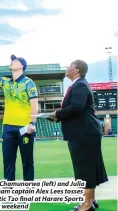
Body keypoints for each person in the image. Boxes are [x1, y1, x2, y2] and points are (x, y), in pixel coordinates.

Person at [48, 60, 108, 211]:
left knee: (85, 168)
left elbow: (76, 107)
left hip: (83, 133)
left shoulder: (80, 84)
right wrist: (59, 116)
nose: (67, 68)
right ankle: (91, 200)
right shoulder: (79, 84)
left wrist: (57, 114)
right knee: (89, 167)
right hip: (85, 132)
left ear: (76, 71)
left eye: (69, 66)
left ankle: (86, 205)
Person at [0, 46, 39, 181]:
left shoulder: (29, 83)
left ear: (21, 66)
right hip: (8, 127)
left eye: (15, 61)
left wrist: (32, 123)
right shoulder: (6, 82)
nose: (12, 62)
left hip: (24, 127)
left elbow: (34, 104)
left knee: (27, 161)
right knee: (8, 162)